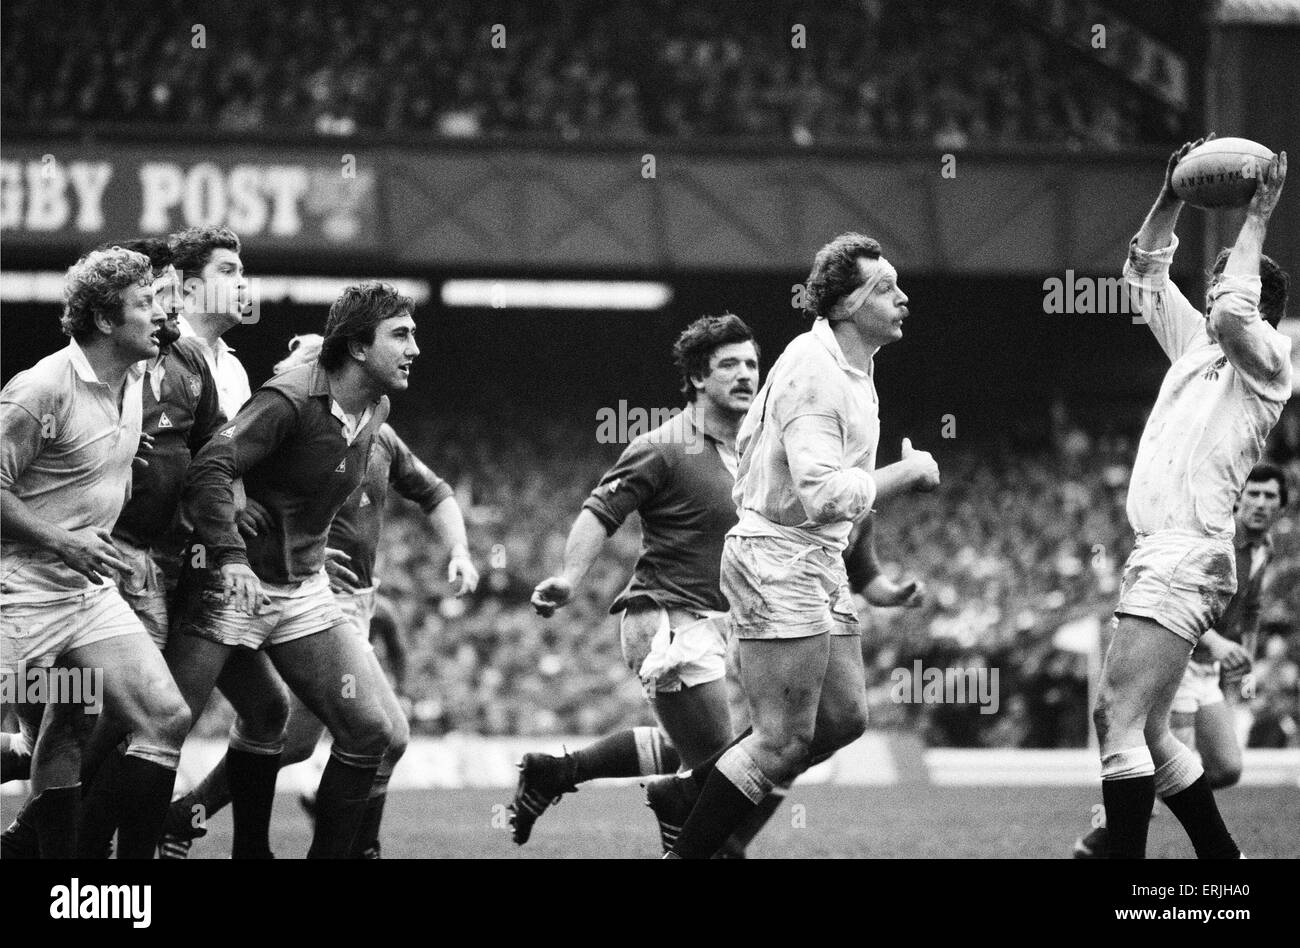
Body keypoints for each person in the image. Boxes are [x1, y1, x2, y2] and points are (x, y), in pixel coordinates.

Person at [664, 233, 940, 859]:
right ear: (844, 307)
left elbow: (837, 502)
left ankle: (694, 794)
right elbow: (821, 493)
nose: (903, 297)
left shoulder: (853, 368)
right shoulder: (817, 374)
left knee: (843, 720)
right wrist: (908, 473)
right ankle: (688, 848)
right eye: (884, 288)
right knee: (783, 739)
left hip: (813, 558)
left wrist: (870, 575)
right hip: (778, 556)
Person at [162, 333, 478, 858]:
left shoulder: (379, 431)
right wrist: (239, 513)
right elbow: (222, 469)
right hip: (297, 589)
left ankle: (197, 817)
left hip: (345, 596)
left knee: (326, 735)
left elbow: (435, 490)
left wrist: (461, 551)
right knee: (355, 734)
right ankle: (190, 816)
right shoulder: (292, 416)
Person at [1091, 139, 1291, 859]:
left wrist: (1259, 216)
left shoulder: (1266, 362)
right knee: (1147, 730)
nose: (1207, 297)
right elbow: (1141, 275)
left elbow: (1236, 313)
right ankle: (1224, 862)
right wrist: (1171, 192)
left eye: (1218, 285)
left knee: (1114, 714)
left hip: (1186, 551)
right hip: (1163, 550)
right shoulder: (1198, 347)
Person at [513, 314, 762, 849]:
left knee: (724, 756)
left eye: (752, 364)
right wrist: (569, 576)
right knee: (728, 787)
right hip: (669, 623)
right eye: (729, 365)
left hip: (718, 624)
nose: (746, 375)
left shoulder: (751, 453)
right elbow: (600, 511)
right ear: (698, 377)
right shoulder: (665, 445)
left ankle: (557, 772)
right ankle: (685, 822)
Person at [0, 247, 192, 858]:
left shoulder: (134, 379)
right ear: (105, 321)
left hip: (84, 594)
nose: (161, 316)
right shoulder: (41, 389)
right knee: (47, 732)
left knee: (162, 717)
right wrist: (63, 539)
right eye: (145, 304)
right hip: (20, 588)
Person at [1074, 463, 1289, 857]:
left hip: (1208, 666)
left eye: (1269, 496)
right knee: (1168, 755)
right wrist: (1221, 643)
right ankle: (1113, 837)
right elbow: (1180, 603)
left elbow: (1252, 608)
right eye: (1252, 494)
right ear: (1237, 501)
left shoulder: (1264, 548)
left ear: (1282, 505)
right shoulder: (1217, 543)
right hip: (1179, 657)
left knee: (1225, 767)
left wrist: (1246, 659)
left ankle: (1112, 825)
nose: (1259, 503)